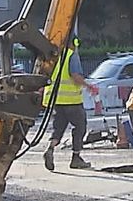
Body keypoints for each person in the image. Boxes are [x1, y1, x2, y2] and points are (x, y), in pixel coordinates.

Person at [42, 36, 97, 171]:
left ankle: (50, 149)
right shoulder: (71, 55)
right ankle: (76, 158)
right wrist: (89, 86)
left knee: (58, 129)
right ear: (73, 44)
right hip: (71, 101)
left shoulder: (54, 57)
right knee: (80, 127)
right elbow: (75, 76)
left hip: (56, 101)